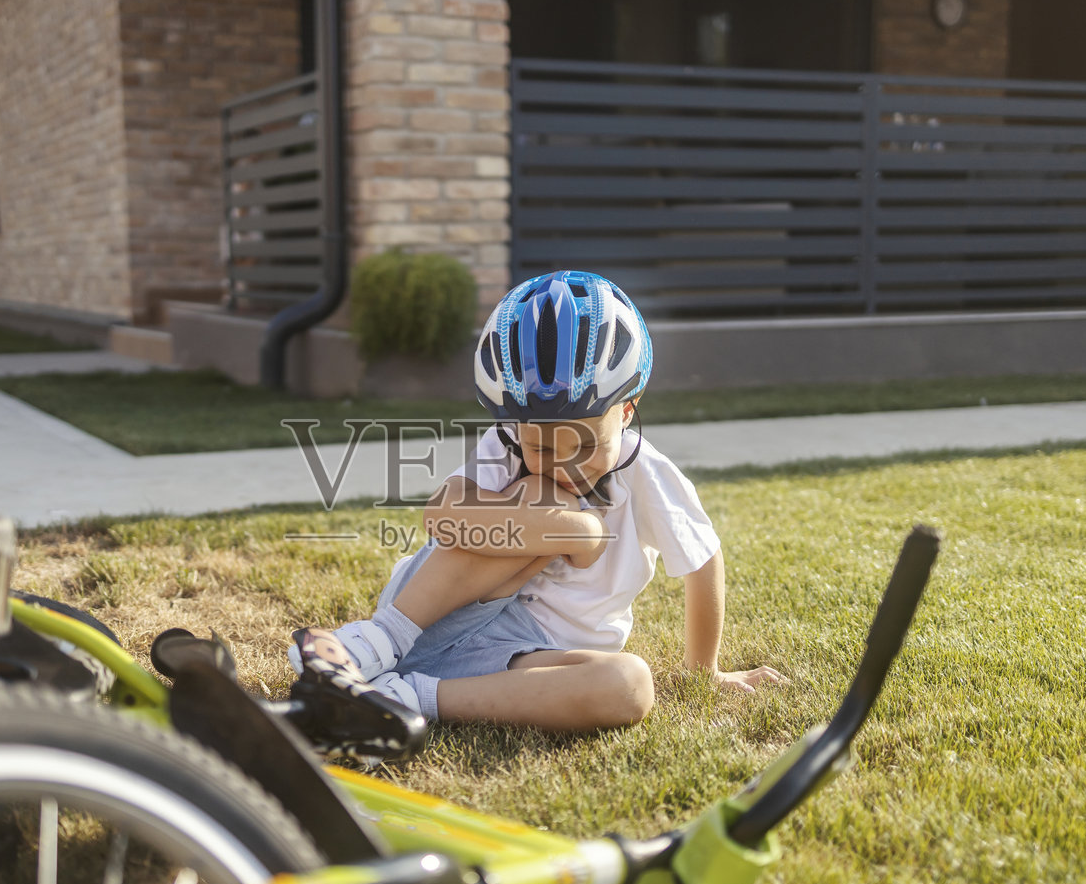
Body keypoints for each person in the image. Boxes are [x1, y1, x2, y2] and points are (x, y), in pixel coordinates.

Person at [290, 270, 786, 731]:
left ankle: (400, 698)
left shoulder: (648, 474)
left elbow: (703, 561)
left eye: (586, 446)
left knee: (629, 685)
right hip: (428, 620)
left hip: (527, 660)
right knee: (545, 500)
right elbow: (441, 516)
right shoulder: (505, 444)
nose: (565, 466)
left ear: (627, 410)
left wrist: (705, 671)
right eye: (541, 448)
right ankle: (371, 645)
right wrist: (576, 530)